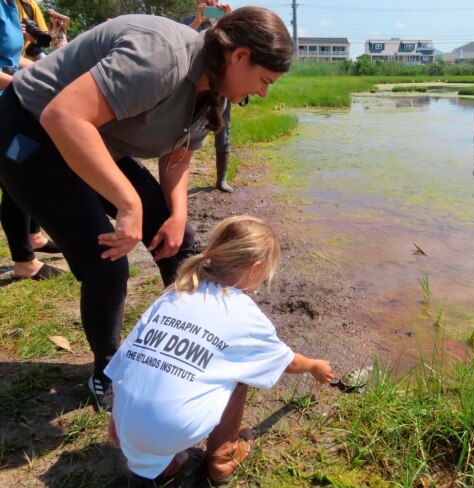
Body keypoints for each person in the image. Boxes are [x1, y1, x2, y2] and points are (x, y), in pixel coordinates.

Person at [0, 7, 293, 410]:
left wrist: (177, 216)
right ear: (239, 56)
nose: (263, 93)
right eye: (265, 81)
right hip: (31, 132)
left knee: (177, 237)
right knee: (106, 259)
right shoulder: (162, 56)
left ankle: (191, 336)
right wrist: (127, 202)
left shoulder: (217, 96)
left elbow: (178, 158)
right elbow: (63, 115)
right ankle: (106, 371)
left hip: (93, 139)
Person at [105, 215, 335, 483]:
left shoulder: (173, 293)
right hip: (166, 428)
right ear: (255, 268)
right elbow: (287, 362)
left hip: (124, 425)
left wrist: (118, 420)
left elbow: (127, 359)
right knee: (240, 367)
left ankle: (164, 458)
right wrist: (314, 366)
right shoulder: (243, 311)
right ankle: (221, 459)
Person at [1, 0, 63, 280]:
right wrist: (26, 85)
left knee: (22, 166)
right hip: (6, 105)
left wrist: (49, 74)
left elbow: (11, 61)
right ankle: (24, 263)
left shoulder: (11, 6)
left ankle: (33, 237)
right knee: (18, 173)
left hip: (13, 104)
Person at [181, 1, 235, 193]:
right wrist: (197, 21)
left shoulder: (228, 22)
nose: (210, 3)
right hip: (194, 86)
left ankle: (221, 179)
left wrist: (230, 19)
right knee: (184, 129)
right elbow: (180, 44)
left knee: (223, 128)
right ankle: (178, 175)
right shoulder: (189, 21)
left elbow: (237, 48)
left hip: (220, 85)